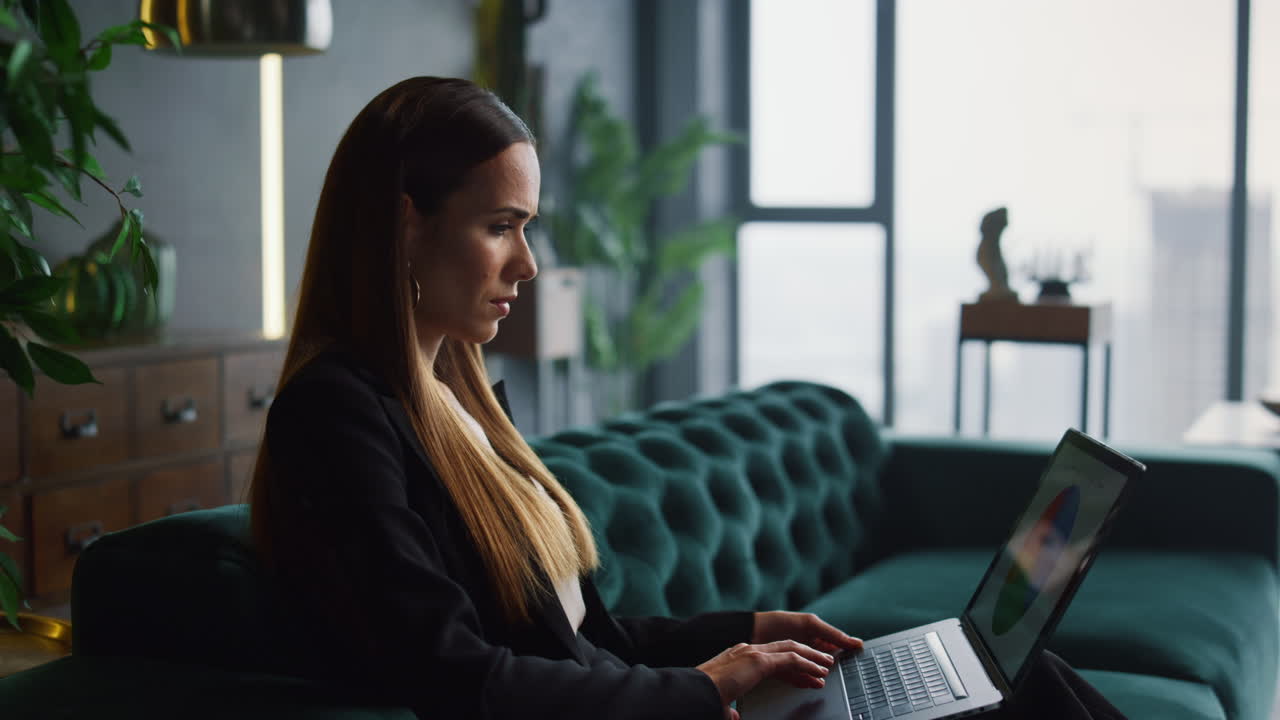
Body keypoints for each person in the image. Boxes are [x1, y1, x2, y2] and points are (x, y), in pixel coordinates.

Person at [249, 76, 1125, 720]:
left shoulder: (466, 406)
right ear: (406, 223)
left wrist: (748, 633)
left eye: (528, 228)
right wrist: (705, 691)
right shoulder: (336, 415)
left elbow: (592, 639)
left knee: (1018, 678)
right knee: (1017, 696)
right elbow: (452, 672)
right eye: (500, 227)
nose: (528, 265)